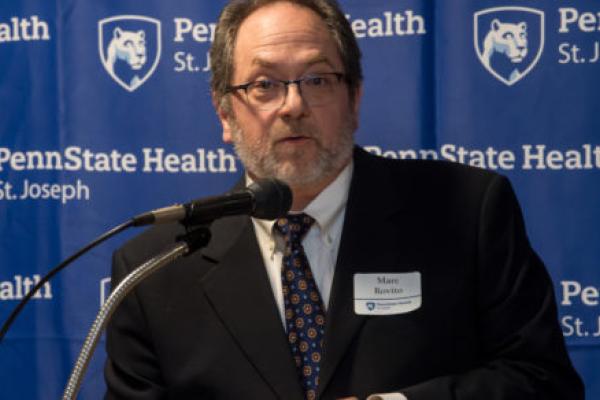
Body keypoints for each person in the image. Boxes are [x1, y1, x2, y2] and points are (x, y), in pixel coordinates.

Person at [104, 1, 584, 399]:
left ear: (354, 98)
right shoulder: (155, 269)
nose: (293, 106)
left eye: (317, 80)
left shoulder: (466, 211)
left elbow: (544, 383)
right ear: (226, 114)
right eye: (264, 85)